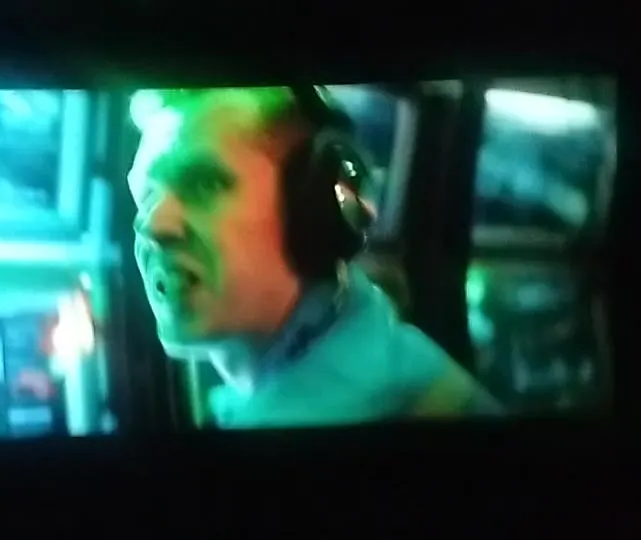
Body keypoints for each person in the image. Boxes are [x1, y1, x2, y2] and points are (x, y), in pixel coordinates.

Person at [126, 86, 501, 429]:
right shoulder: (373, 342)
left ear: (314, 212)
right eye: (145, 195)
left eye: (204, 184)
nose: (153, 224)